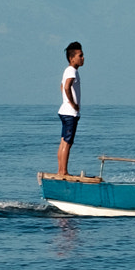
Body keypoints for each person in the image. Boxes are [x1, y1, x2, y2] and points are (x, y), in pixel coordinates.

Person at [55, 42, 84, 177]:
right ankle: (63, 171)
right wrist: (72, 104)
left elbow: (61, 86)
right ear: (72, 58)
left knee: (63, 141)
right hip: (69, 113)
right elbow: (66, 87)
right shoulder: (71, 71)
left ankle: (60, 170)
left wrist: (65, 101)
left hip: (64, 111)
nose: (83, 58)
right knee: (68, 142)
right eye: (80, 55)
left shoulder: (68, 70)